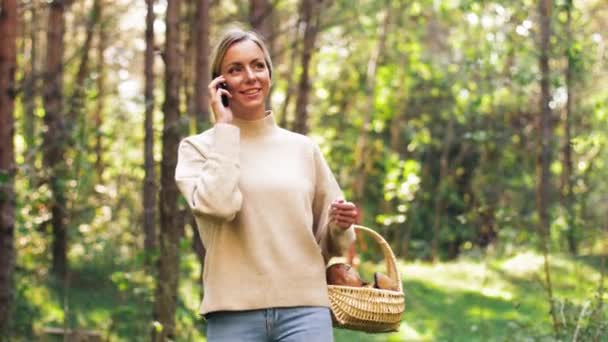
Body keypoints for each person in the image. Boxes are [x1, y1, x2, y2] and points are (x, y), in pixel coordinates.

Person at [174, 27, 358, 342]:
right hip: (233, 315)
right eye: (235, 69)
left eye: (258, 65)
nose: (250, 76)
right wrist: (225, 130)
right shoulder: (198, 149)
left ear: (269, 73)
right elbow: (220, 206)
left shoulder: (303, 149)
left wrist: (339, 226)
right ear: (220, 85)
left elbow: (332, 244)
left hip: (305, 311)